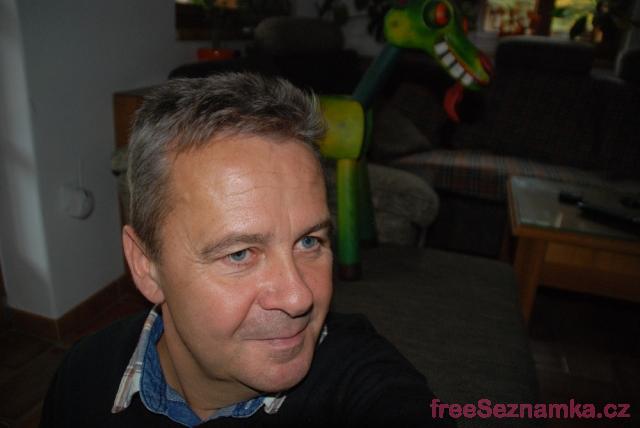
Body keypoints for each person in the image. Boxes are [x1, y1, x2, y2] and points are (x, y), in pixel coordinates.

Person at [41, 73, 452, 427]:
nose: (299, 297)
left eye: (309, 241)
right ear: (146, 265)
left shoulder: (361, 381)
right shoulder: (83, 378)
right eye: (240, 254)